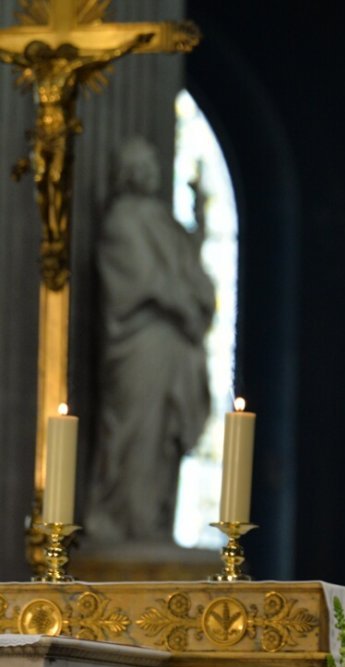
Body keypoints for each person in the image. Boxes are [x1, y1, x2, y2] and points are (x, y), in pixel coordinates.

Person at [85, 137, 215, 544]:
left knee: (162, 440)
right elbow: (141, 280)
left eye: (152, 164)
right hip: (142, 345)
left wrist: (197, 228)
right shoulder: (123, 220)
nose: (150, 172)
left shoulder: (160, 218)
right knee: (135, 434)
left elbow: (184, 264)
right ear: (129, 171)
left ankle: (155, 522)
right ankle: (125, 520)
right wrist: (183, 302)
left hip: (172, 346)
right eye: (142, 164)